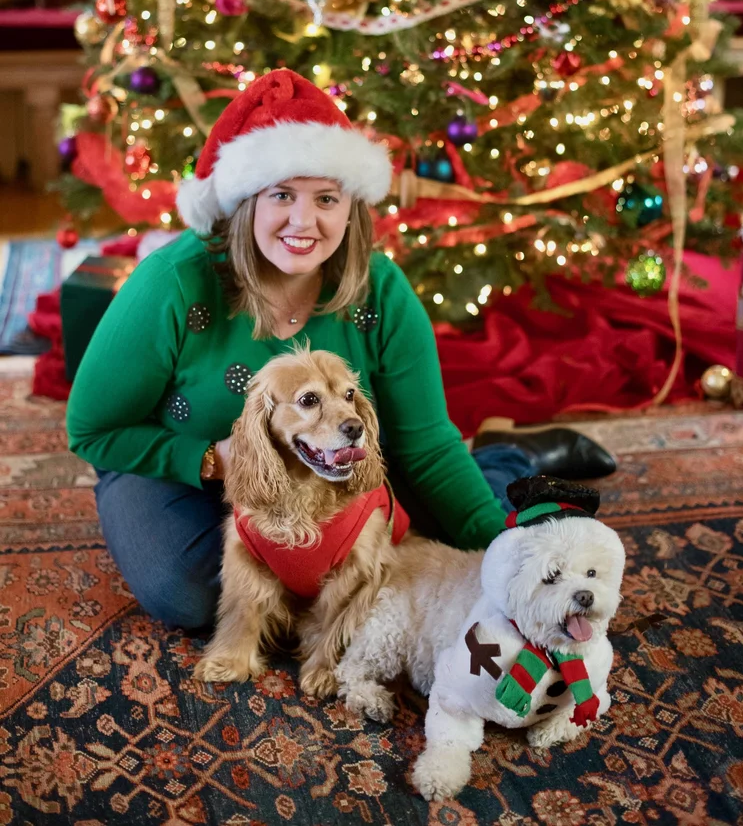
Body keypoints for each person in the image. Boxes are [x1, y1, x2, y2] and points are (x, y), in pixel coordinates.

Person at [67, 69, 615, 631]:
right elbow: (91, 430)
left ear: (350, 206)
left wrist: (508, 564)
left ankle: (500, 457)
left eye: (326, 197)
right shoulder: (171, 282)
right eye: (281, 194)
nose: (304, 222)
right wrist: (210, 459)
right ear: (243, 202)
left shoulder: (381, 289)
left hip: (332, 472)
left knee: (421, 554)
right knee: (196, 598)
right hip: (184, 470)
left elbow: (422, 448)